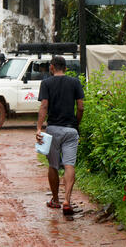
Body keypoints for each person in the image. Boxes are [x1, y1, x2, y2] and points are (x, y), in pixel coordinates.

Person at [36, 56, 84, 215]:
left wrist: (38, 128)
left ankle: (55, 200)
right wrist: (76, 124)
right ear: (65, 68)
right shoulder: (75, 82)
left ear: (51, 67)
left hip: (53, 130)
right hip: (71, 130)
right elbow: (81, 107)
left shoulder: (46, 83)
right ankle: (67, 201)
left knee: (53, 165)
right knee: (69, 165)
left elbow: (44, 105)